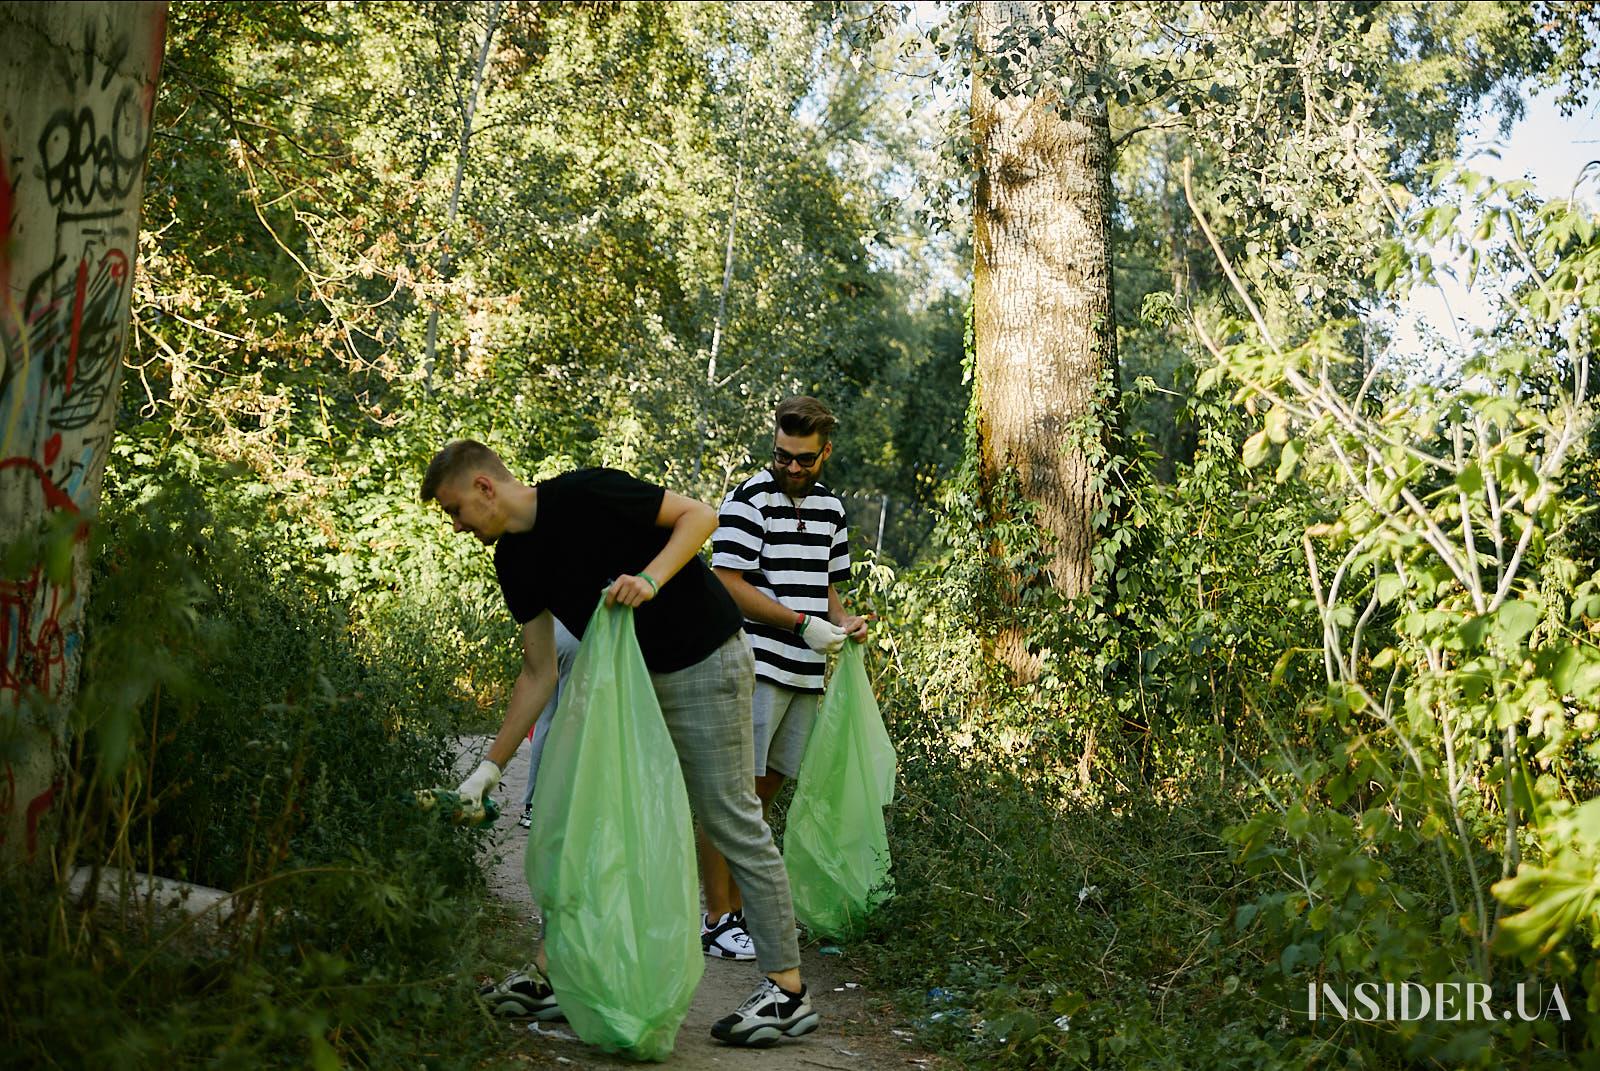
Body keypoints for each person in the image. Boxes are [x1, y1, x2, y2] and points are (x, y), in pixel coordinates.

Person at [421, 440, 817, 1048]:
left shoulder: (584, 492)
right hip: (629, 684)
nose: (457, 524)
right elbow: (538, 672)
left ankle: (787, 993)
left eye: (455, 509)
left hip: (706, 660)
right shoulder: (513, 561)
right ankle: (554, 975)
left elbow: (700, 516)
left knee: (730, 817)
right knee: (586, 819)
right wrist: (487, 770)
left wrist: (651, 579)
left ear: (484, 487)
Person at [700, 397, 868, 951]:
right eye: (783, 456)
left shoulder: (832, 509)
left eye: (804, 459)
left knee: (765, 791)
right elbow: (728, 582)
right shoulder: (749, 498)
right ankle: (717, 918)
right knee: (733, 794)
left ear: (825, 453)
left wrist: (843, 622)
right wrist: (801, 624)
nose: (792, 468)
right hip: (753, 663)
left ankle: (741, 912)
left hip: (804, 670)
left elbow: (827, 585)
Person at [517, 618, 579, 829]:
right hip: (576, 636)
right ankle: (559, 806)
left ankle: (532, 806)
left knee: (545, 722)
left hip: (547, 633)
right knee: (568, 723)